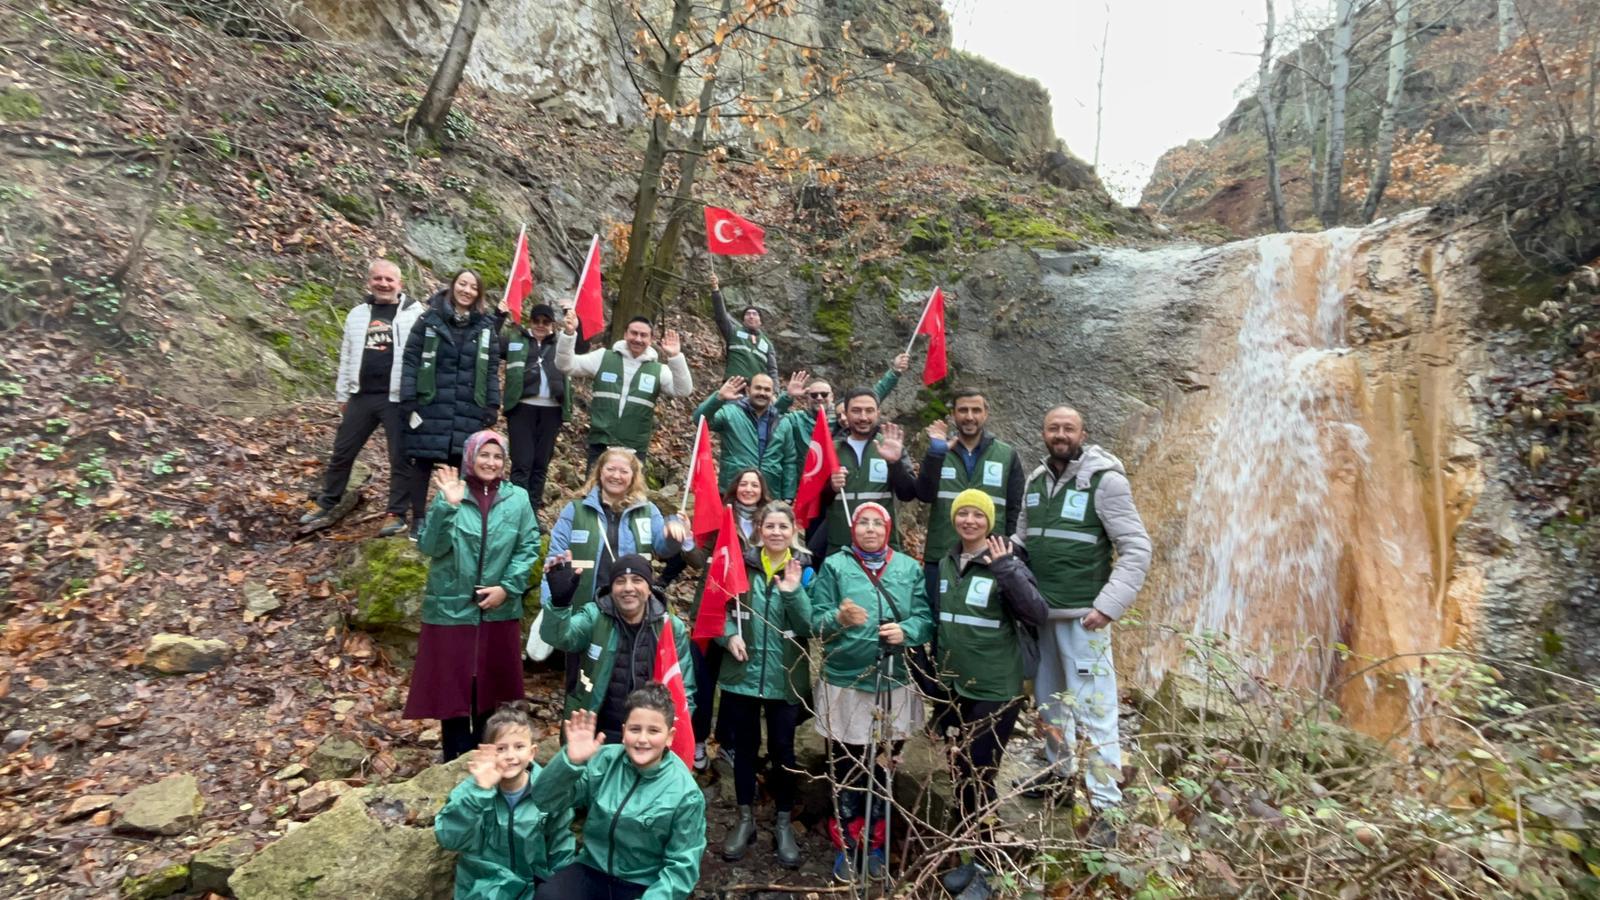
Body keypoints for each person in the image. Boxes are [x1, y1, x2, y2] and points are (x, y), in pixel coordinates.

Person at [1013, 406, 1152, 849]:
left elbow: (1135, 548)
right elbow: (1021, 543)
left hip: (1085, 619)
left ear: (1082, 433)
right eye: (1053, 427)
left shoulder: (1105, 480)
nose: (1059, 434)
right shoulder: (1035, 483)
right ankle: (1060, 776)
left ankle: (1107, 804)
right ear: (1043, 432)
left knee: (1095, 709)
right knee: (1050, 703)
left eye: (1067, 428)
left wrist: (1108, 607)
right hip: (1042, 617)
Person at [929, 490, 1048, 899]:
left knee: (980, 776)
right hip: (958, 685)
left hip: (998, 687)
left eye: (977, 515)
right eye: (962, 513)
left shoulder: (1006, 562)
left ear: (989, 521)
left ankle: (992, 869)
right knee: (960, 772)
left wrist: (1006, 571)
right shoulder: (947, 562)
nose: (969, 520)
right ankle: (973, 857)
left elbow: (1037, 613)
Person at [808, 503, 931, 883]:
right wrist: (838, 619)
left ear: (888, 528)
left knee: (882, 769)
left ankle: (875, 844)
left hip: (892, 682)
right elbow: (815, 621)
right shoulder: (835, 566)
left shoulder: (909, 568)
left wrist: (907, 631)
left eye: (879, 523)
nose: (871, 529)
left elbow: (925, 619)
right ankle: (848, 842)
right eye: (864, 522)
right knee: (846, 768)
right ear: (853, 528)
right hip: (845, 681)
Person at [402, 431, 539, 762]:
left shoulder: (517, 498)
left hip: (499, 609)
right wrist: (446, 507)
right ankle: (452, 761)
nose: (490, 462)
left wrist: (506, 587)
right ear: (470, 458)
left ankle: (487, 759)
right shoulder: (452, 494)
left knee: (491, 687)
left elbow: (529, 545)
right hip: (451, 610)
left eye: (497, 457)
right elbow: (430, 547)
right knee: (453, 689)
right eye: (484, 455)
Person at [540, 449, 690, 701]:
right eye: (611, 469)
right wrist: (550, 606)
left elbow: (663, 548)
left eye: (624, 470)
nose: (616, 476)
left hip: (632, 610)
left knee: (626, 679)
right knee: (581, 682)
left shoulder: (647, 510)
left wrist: (674, 532)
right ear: (599, 471)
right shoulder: (575, 510)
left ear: (633, 476)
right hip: (585, 611)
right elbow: (554, 560)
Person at [907, 389, 1025, 695]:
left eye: (975, 410)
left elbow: (1015, 507)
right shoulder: (940, 451)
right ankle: (945, 696)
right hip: (942, 556)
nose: (969, 416)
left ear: (986, 414)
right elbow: (923, 493)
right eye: (963, 410)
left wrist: (1010, 551)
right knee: (941, 623)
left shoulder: (1006, 454)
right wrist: (934, 453)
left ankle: (983, 691)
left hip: (991, 558)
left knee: (987, 623)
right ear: (953, 415)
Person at [532, 693, 707, 900]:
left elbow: (682, 867)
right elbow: (544, 798)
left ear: (669, 736)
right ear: (624, 732)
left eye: (653, 731)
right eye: (635, 729)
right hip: (591, 868)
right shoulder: (604, 761)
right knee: (548, 896)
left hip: (644, 883)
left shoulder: (685, 793)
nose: (642, 739)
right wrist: (570, 762)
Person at [715, 500, 813, 866]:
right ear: (759, 529)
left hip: (784, 679)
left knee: (784, 753)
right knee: (744, 749)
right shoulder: (739, 564)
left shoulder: (804, 569)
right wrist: (729, 637)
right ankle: (745, 820)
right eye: (768, 526)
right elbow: (719, 609)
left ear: (793, 532)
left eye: (782, 527)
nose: (775, 532)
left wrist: (792, 590)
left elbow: (807, 627)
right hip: (742, 676)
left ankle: (784, 823)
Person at [302, 259, 425, 536]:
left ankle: (395, 513)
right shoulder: (357, 314)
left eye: (389, 280)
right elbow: (347, 355)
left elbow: (425, 356)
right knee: (342, 452)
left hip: (397, 397)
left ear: (400, 284)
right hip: (361, 395)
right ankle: (327, 501)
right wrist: (342, 393)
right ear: (369, 281)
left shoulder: (416, 313)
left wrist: (419, 394)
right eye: (377, 279)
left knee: (401, 457)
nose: (383, 284)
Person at [540, 554, 696, 745]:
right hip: (598, 731)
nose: (628, 588)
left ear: (649, 589)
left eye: (637, 580)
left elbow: (684, 686)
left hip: (649, 736)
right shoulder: (594, 616)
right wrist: (559, 604)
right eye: (620, 581)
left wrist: (672, 728)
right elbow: (559, 638)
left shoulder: (670, 627)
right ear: (611, 589)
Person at [434, 702, 576, 898]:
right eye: (501, 749)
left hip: (533, 885)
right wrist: (480, 791)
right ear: (488, 753)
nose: (510, 756)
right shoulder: (472, 790)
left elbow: (560, 845)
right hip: (485, 885)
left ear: (532, 752)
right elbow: (449, 838)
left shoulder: (548, 791)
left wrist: (560, 884)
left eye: (519, 747)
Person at [681, 468, 772, 771]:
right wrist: (685, 542)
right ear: (735, 487)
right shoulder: (721, 518)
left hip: (747, 614)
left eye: (754, 484)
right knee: (702, 682)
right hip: (710, 610)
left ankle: (728, 742)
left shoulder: (768, 523)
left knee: (735, 686)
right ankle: (696, 740)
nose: (748, 488)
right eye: (743, 483)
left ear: (762, 490)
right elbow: (697, 560)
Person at [400, 270, 502, 535]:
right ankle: (419, 519)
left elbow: (491, 368)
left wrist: (492, 404)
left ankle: (456, 517)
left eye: (473, 287)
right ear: (452, 286)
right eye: (462, 284)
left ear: (479, 293)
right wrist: (409, 396)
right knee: (423, 461)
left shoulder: (485, 327)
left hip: (468, 405)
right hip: (431, 401)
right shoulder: (428, 320)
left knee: (462, 463)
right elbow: (411, 359)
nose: (466, 290)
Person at [555, 311, 692, 465]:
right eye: (634, 333)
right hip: (600, 442)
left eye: (643, 335)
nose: (638, 339)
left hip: (634, 448)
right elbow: (565, 365)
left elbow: (683, 390)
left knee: (630, 490)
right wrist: (568, 334)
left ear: (651, 339)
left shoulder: (659, 370)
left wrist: (675, 357)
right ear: (625, 334)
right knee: (594, 489)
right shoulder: (602, 357)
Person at [767, 355, 910, 501]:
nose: (819, 397)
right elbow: (772, 418)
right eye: (814, 394)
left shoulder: (841, 419)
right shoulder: (794, 420)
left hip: (835, 487)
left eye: (824, 394)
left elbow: (870, 397)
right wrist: (788, 397)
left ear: (832, 397)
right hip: (805, 488)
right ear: (806, 397)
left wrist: (894, 372)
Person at [814, 390, 917, 558]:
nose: (863, 417)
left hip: (882, 547)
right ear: (845, 414)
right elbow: (816, 502)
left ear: (878, 413)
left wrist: (895, 463)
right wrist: (831, 487)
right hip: (840, 548)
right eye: (856, 410)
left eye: (869, 410)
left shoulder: (890, 446)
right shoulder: (831, 449)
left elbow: (907, 494)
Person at [498, 302, 566, 514]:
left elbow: (581, 345)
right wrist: (499, 318)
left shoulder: (561, 343)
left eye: (545, 322)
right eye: (536, 320)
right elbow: (491, 344)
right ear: (530, 321)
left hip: (552, 409)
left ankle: (532, 512)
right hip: (521, 408)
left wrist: (571, 315)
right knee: (522, 462)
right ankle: (516, 511)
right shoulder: (516, 338)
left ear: (552, 324)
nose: (540, 325)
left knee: (540, 464)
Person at [692, 371, 806, 494]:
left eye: (767, 390)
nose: (762, 393)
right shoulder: (730, 413)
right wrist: (719, 397)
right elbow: (700, 420)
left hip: (770, 492)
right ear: (748, 390)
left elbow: (789, 461)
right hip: (734, 489)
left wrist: (788, 494)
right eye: (758, 388)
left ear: (773, 394)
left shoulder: (783, 422)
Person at [709, 271, 779, 382]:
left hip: (755, 390)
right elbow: (721, 316)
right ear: (743, 320)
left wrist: (775, 391)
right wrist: (715, 290)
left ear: (760, 321)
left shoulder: (767, 343)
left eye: (754, 314)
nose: (751, 316)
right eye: (748, 314)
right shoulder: (734, 332)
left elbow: (772, 371)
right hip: (733, 385)